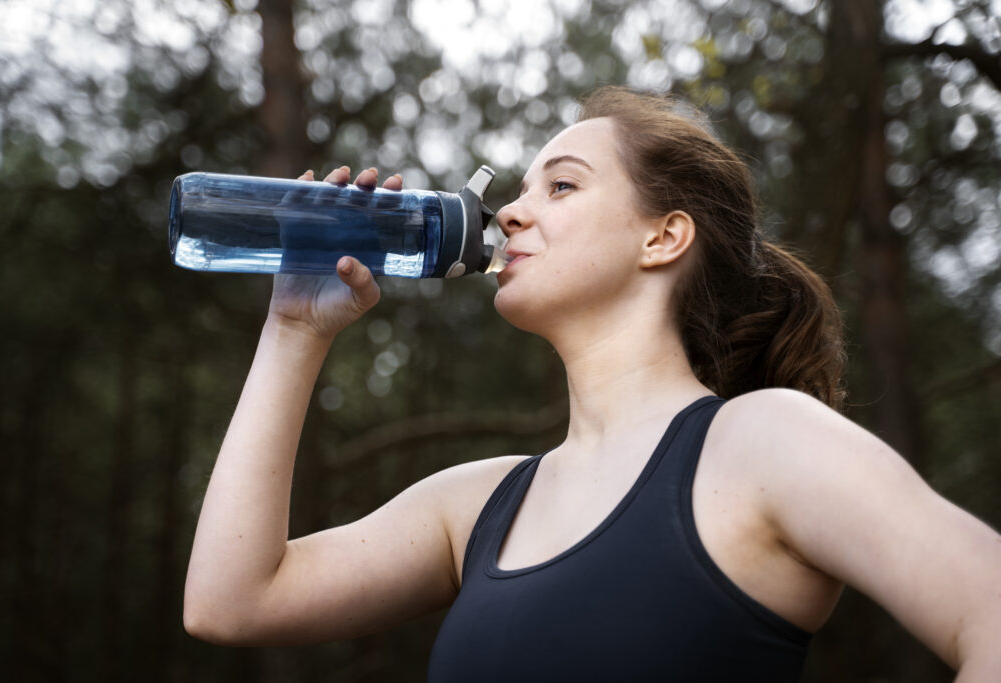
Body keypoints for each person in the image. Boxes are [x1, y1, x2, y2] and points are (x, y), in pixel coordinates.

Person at [182, 86, 1001, 681]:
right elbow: (231, 601)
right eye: (521, 189)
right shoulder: (477, 507)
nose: (508, 212)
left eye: (562, 185)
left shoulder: (763, 445)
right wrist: (294, 328)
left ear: (664, 236)